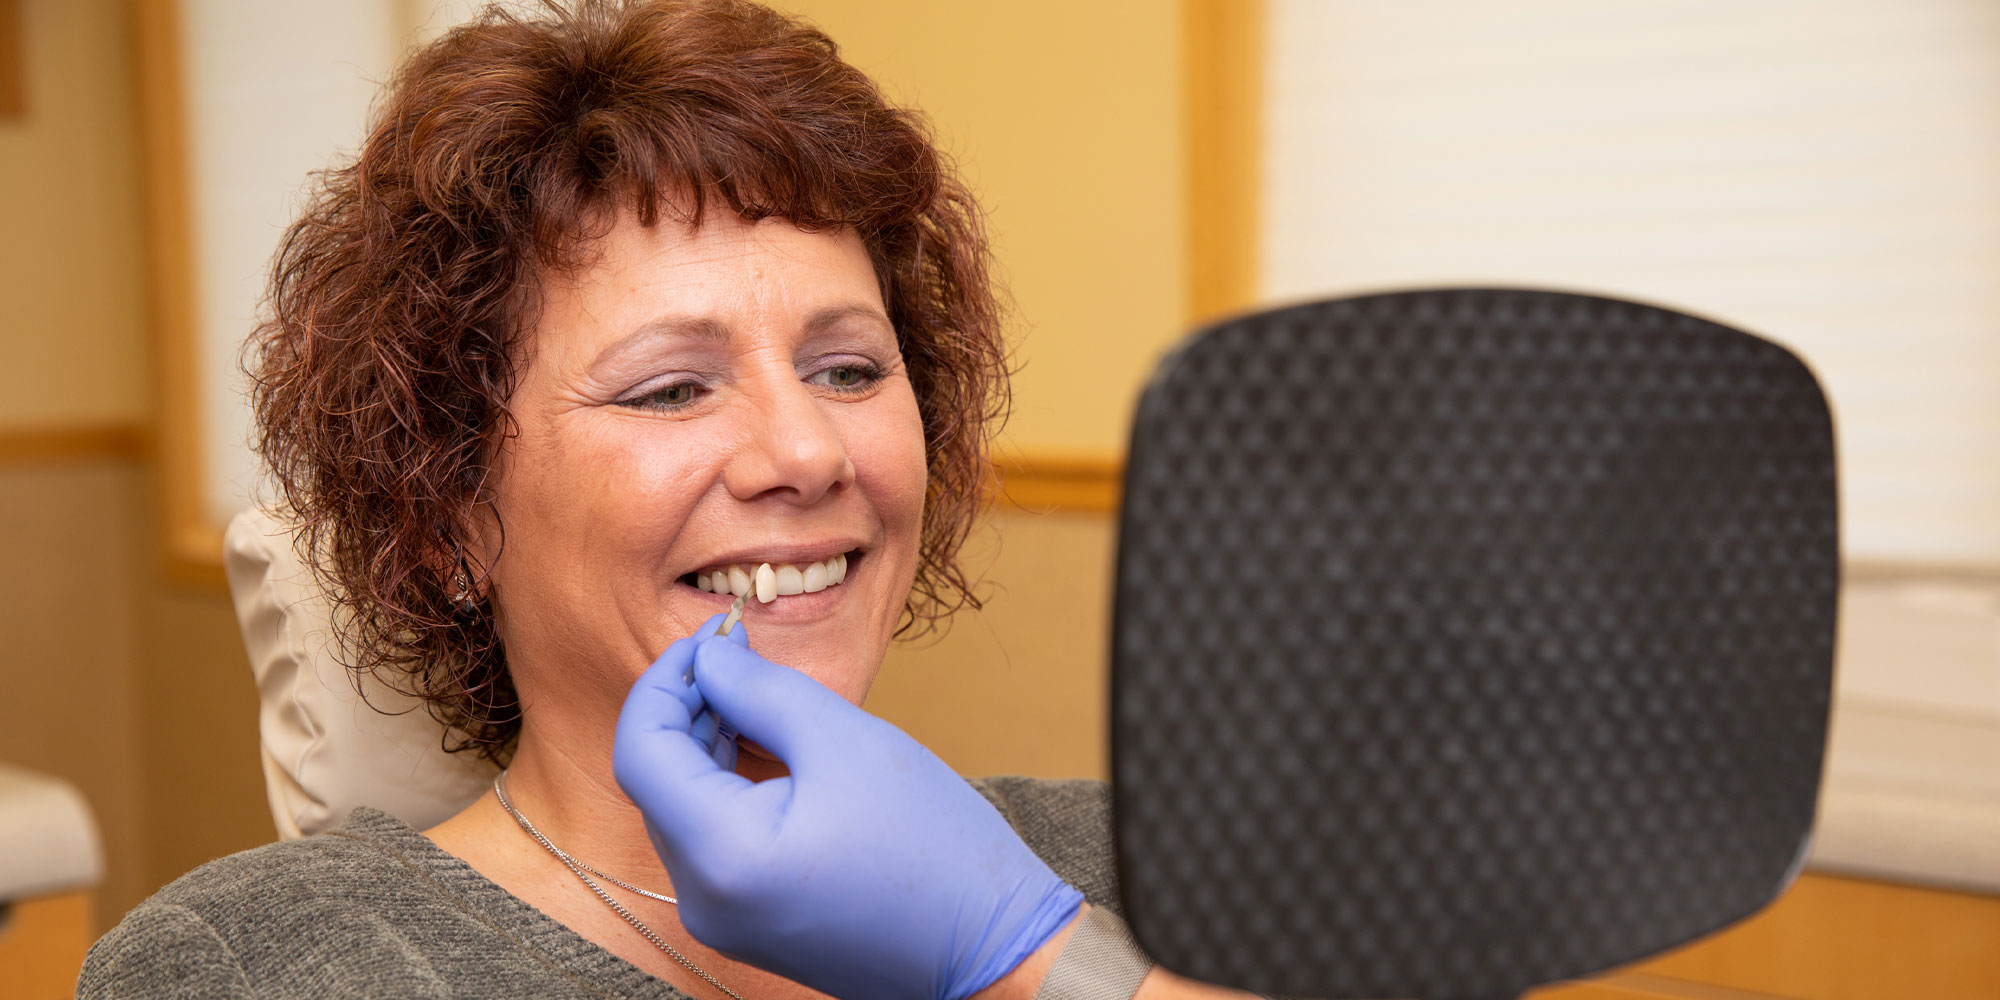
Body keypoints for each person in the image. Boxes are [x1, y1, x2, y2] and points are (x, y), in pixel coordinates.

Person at [78, 2, 1251, 998]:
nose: (804, 449)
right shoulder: (253, 961)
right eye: (670, 389)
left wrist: (1031, 951)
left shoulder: (1140, 863)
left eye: (846, 369)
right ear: (445, 515)